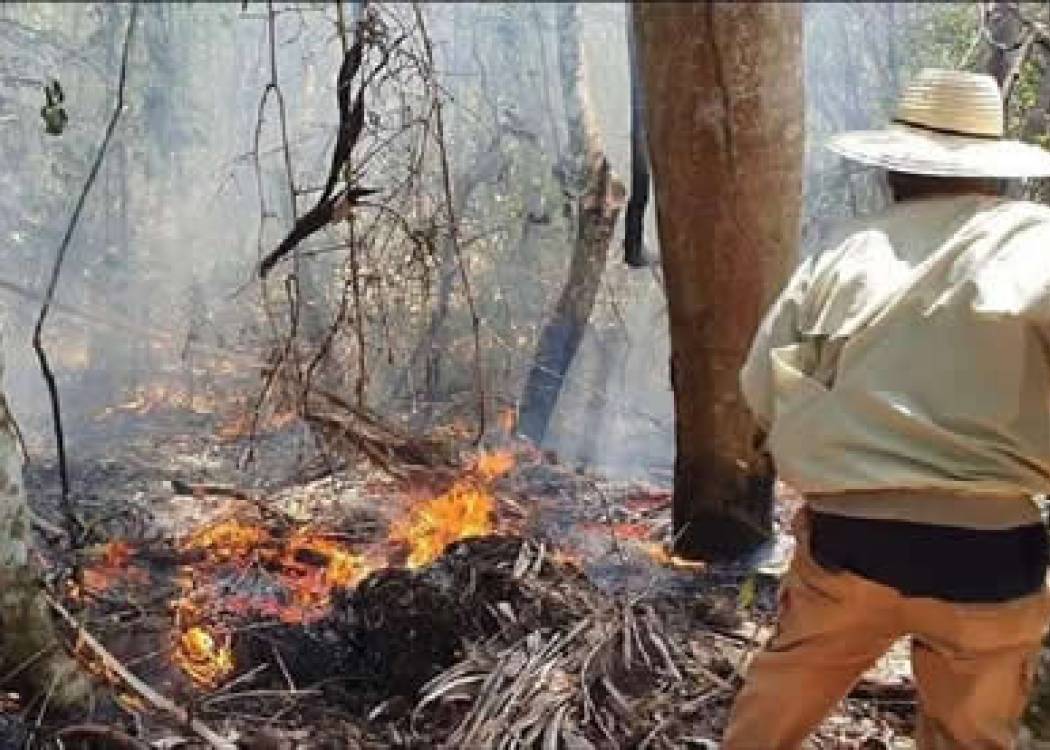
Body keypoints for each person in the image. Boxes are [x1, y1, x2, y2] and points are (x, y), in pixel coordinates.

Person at [723, 68, 1050, 749]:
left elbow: (762, 385)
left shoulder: (844, 251)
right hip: (992, 550)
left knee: (772, 712)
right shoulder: (1037, 243)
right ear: (997, 171)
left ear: (893, 171)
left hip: (852, 539)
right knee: (974, 736)